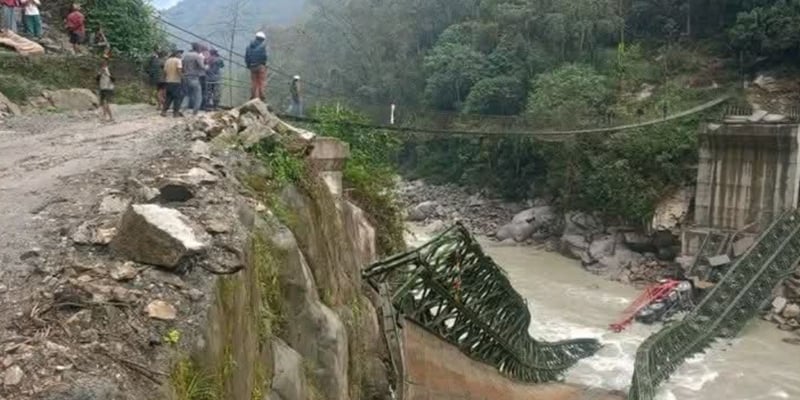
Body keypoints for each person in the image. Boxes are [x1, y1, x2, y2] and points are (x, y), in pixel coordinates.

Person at [181, 43, 205, 115]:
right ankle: (195, 111)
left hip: (186, 77)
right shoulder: (197, 56)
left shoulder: (185, 56)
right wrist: (207, 67)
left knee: (187, 94)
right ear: (198, 48)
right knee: (198, 95)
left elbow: (182, 66)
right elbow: (202, 66)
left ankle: (182, 109)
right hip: (194, 78)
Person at [244, 31, 268, 101]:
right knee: (261, 81)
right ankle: (262, 96)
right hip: (260, 66)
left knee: (254, 82)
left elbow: (246, 57)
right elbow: (264, 57)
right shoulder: (262, 47)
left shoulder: (248, 47)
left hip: (252, 66)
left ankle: (253, 96)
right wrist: (264, 64)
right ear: (262, 39)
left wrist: (248, 65)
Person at [162, 49, 184, 117]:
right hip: (176, 81)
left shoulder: (167, 60)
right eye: (180, 54)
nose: (181, 55)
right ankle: (175, 113)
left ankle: (164, 111)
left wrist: (165, 79)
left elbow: (165, 71)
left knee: (169, 97)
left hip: (168, 81)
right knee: (177, 97)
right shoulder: (178, 60)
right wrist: (183, 78)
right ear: (176, 54)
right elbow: (179, 70)